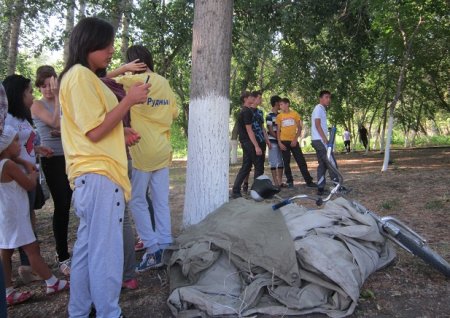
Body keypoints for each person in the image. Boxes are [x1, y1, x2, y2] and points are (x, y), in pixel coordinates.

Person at [58, 17, 149, 318]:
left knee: (86, 251)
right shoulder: (80, 77)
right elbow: (95, 130)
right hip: (99, 175)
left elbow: (92, 129)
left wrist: (121, 133)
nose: (112, 50)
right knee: (106, 253)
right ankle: (109, 312)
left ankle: (80, 311)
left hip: (92, 175)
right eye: (107, 44)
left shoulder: (82, 77)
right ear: (89, 43)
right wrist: (130, 101)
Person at [114, 45, 178, 272]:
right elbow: (174, 112)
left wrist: (122, 70)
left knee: (137, 199)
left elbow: (97, 82)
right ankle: (165, 242)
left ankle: (152, 249)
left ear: (132, 63)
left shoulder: (131, 81)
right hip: (162, 148)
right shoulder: (163, 82)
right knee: (160, 200)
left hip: (141, 147)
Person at [0, 126, 69, 306]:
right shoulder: (9, 165)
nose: (19, 144)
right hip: (16, 214)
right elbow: (29, 185)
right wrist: (33, 173)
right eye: (15, 141)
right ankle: (52, 282)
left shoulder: (5, 163)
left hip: (5, 214)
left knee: (5, 250)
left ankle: (7, 289)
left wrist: (23, 162)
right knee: (32, 249)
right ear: (6, 146)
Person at [3, 74, 53, 284]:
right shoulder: (7, 120)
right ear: (17, 95)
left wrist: (38, 149)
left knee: (29, 220)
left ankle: (28, 265)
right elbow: (7, 150)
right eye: (29, 92)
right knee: (16, 227)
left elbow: (24, 144)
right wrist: (24, 165)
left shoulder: (23, 118)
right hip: (17, 180)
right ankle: (28, 265)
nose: (32, 96)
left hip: (29, 174)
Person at [31, 65, 72, 276]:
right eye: (44, 85)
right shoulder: (37, 105)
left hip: (69, 156)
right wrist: (57, 99)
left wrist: (59, 129)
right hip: (51, 159)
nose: (48, 89)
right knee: (62, 204)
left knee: (72, 203)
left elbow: (69, 126)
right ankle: (62, 255)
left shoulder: (62, 100)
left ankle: (68, 252)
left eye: (52, 85)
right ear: (39, 86)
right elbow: (56, 122)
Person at [231, 91, 266, 198]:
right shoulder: (246, 112)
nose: (253, 98)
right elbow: (249, 130)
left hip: (246, 142)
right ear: (246, 99)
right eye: (250, 97)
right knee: (259, 166)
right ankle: (257, 191)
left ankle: (236, 190)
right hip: (249, 142)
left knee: (246, 166)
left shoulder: (246, 111)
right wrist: (256, 146)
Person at [276, 98, 316, 188]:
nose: (280, 106)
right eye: (279, 105)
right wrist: (279, 143)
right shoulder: (279, 117)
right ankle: (290, 181)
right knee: (286, 162)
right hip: (283, 142)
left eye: (282, 104)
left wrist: (295, 139)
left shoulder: (295, 114)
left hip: (293, 141)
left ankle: (309, 181)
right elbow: (278, 130)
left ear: (287, 104)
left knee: (301, 161)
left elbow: (299, 128)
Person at [311, 90, 340, 196]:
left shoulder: (322, 109)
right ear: (321, 98)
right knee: (331, 162)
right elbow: (317, 124)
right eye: (326, 97)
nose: (329, 99)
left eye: (329, 97)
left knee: (322, 164)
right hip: (319, 140)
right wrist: (325, 138)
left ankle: (320, 188)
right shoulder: (318, 108)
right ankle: (337, 185)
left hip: (317, 140)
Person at [242, 91, 271, 192]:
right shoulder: (247, 111)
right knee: (247, 165)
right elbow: (246, 129)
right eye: (259, 98)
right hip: (250, 142)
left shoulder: (260, 112)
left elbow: (262, 128)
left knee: (259, 166)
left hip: (261, 141)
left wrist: (267, 140)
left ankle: (256, 187)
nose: (261, 100)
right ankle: (245, 183)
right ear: (253, 98)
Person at [266, 95, 284, 187]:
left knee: (281, 161)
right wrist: (278, 139)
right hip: (273, 141)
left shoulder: (281, 115)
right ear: (276, 103)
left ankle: (280, 181)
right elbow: (270, 130)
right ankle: (275, 182)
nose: (281, 104)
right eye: (280, 102)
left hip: (282, 141)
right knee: (273, 162)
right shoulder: (269, 115)